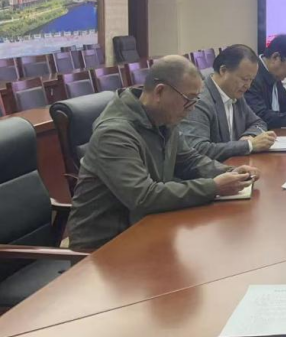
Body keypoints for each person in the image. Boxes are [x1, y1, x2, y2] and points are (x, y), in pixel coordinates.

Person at [68, 56, 259, 251]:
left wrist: (231, 173)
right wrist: (214, 187)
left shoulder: (164, 118)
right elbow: (143, 197)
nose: (192, 108)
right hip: (106, 247)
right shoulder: (114, 134)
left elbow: (189, 161)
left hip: (148, 227)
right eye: (189, 100)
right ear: (160, 92)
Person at [180, 45, 277, 161]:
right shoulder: (200, 101)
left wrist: (248, 136)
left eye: (251, 80)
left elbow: (258, 122)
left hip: (234, 166)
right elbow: (197, 149)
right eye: (244, 79)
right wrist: (248, 145)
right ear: (223, 71)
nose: (248, 85)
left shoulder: (235, 93)